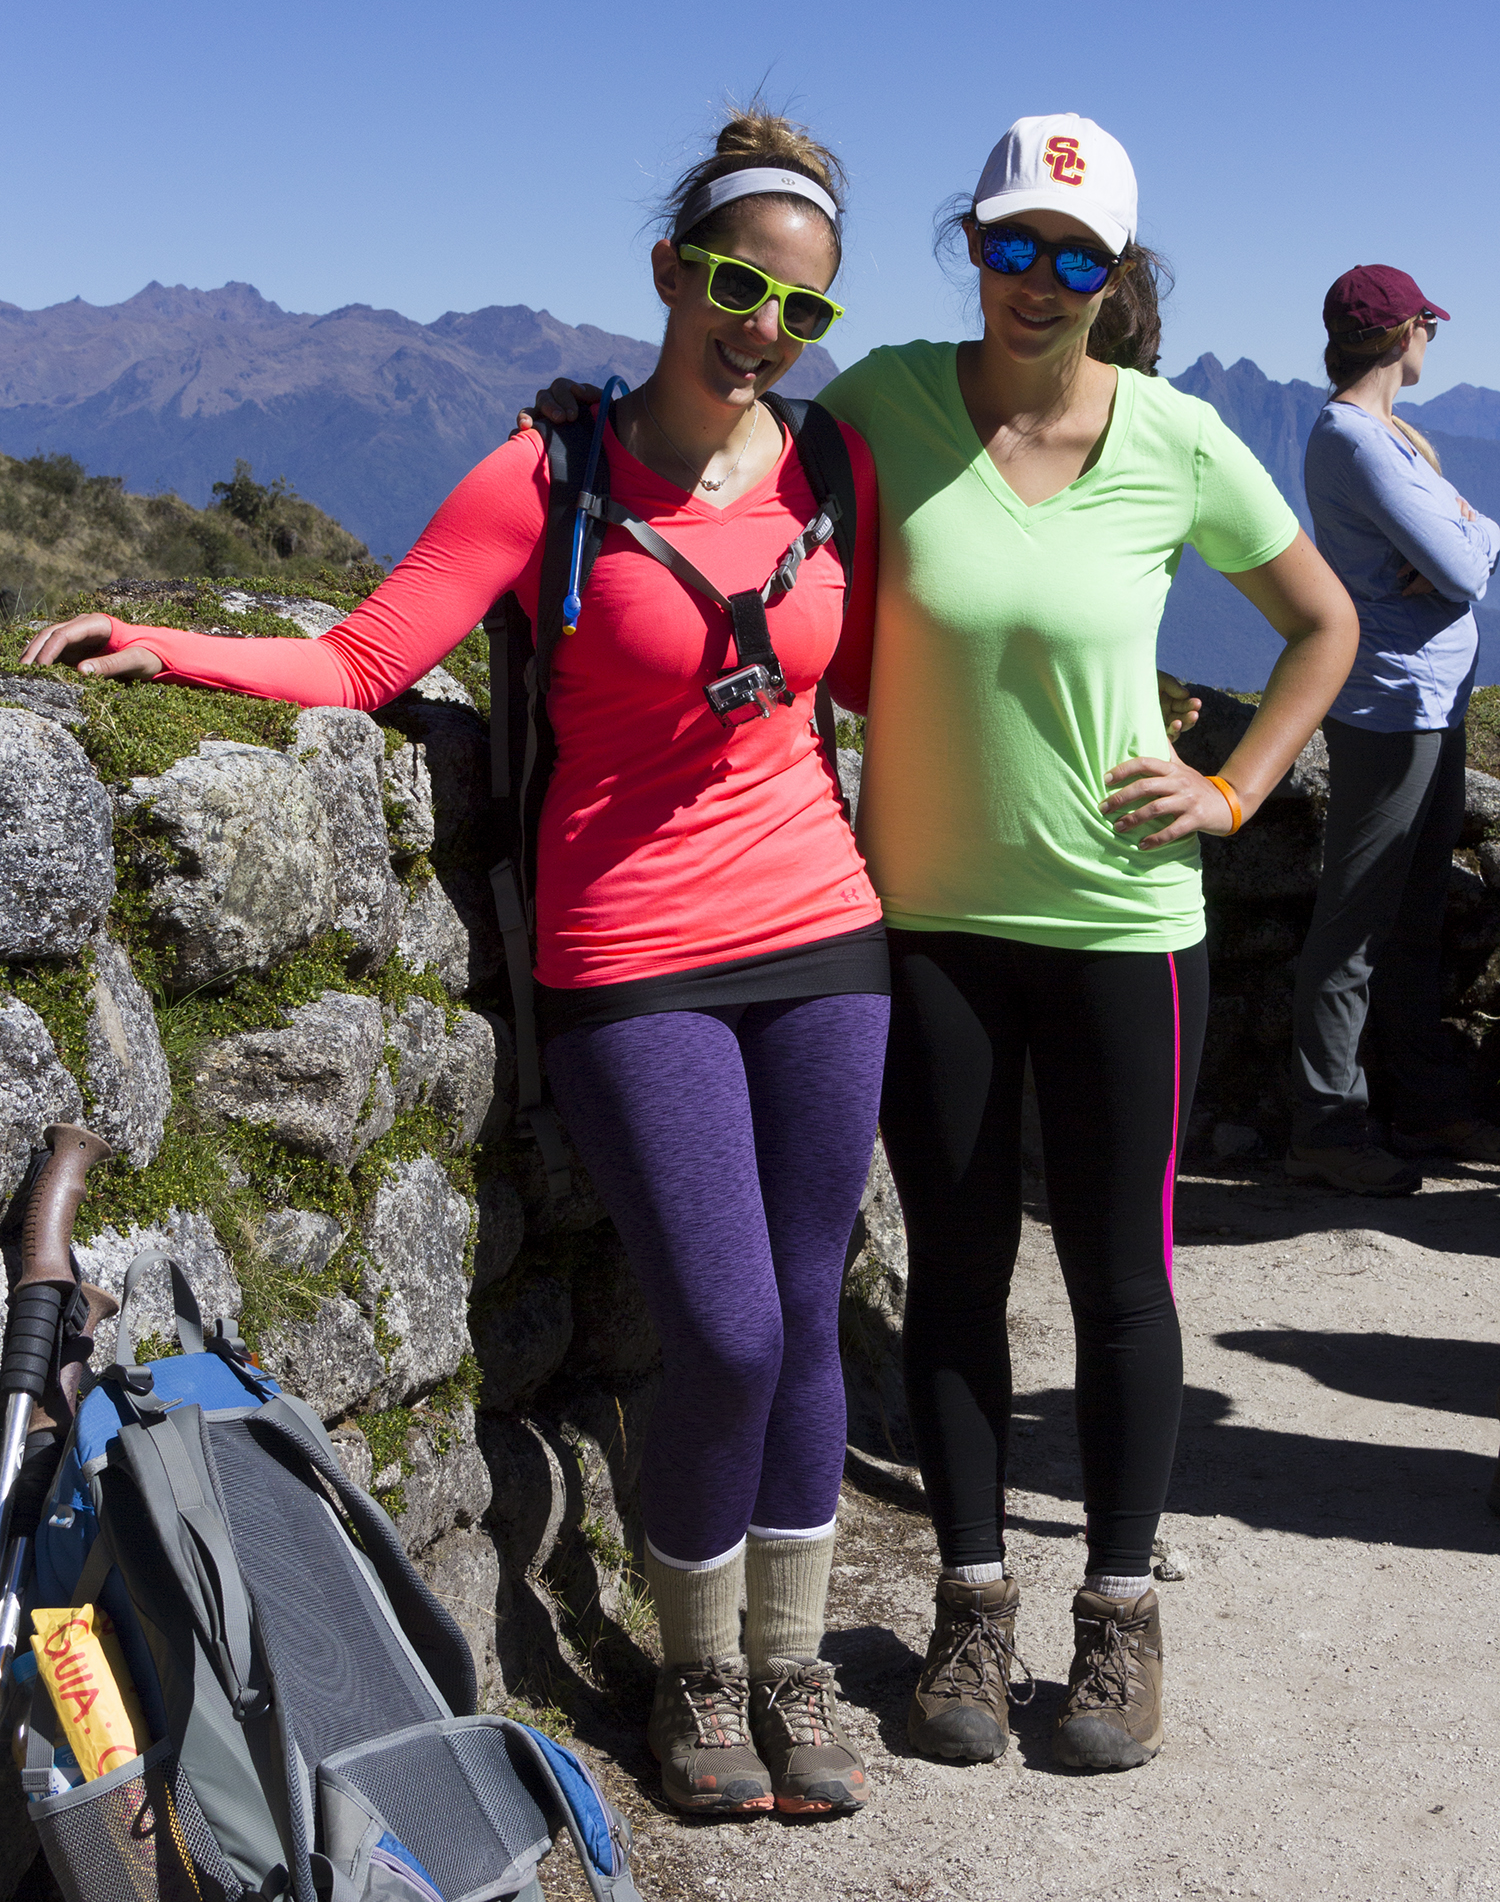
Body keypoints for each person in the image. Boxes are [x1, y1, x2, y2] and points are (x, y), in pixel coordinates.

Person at [23, 108, 890, 1823]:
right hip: (633, 951)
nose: (765, 330)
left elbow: (879, 683)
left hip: (824, 933)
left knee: (806, 1312)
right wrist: (159, 643)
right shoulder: (548, 475)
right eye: (738, 287)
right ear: (671, 271)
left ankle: (792, 1666)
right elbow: (365, 658)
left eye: (803, 310)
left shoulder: (831, 471)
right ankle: (698, 1664)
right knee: (723, 1327)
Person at [525, 111, 1359, 1776]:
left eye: (1074, 257)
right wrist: (572, 432)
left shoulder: (1182, 439)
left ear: (1115, 275)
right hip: (924, 924)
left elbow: (1323, 621)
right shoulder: (883, 407)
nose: (1036, 280)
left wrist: (1233, 789)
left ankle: (1118, 1617)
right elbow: (720, 441)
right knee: (960, 1274)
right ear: (971, 246)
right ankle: (970, 1612)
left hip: (1125, 922)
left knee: (1121, 1283)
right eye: (1010, 244)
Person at [1288, 267, 1500, 1195]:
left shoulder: (1392, 435)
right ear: (1403, 332)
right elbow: (1464, 567)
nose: (1431, 341)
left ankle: (1420, 1103)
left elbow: (1470, 548)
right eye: (1429, 327)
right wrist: (1464, 538)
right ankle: (1326, 1127)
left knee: (1413, 911)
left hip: (1434, 700)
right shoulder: (1354, 438)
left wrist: (1466, 538)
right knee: (1358, 916)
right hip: (1391, 705)